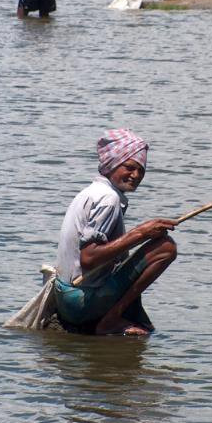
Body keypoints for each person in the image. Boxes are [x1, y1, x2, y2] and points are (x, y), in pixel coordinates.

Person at [53, 129, 178, 336]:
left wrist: (141, 234)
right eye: (129, 167)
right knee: (166, 247)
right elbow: (88, 258)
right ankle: (109, 321)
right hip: (79, 303)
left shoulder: (90, 191)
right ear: (112, 164)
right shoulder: (108, 199)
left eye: (141, 170)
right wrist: (141, 233)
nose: (136, 175)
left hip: (65, 297)